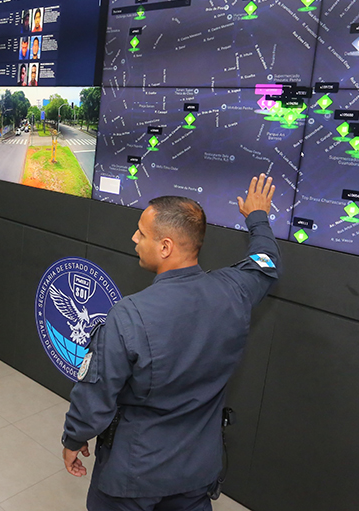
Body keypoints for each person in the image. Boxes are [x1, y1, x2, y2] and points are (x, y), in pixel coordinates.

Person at [61, 176, 281, 511]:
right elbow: (266, 263)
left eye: (142, 233)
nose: (134, 238)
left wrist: (74, 438)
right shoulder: (234, 292)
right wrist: (257, 217)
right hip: (196, 473)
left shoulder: (129, 315)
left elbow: (96, 395)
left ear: (165, 247)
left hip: (134, 475)